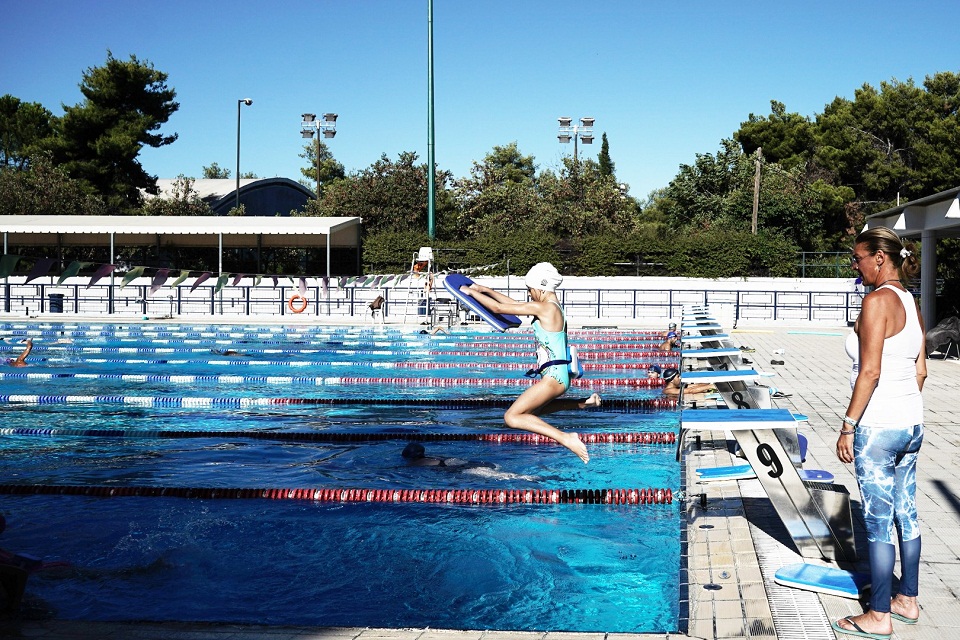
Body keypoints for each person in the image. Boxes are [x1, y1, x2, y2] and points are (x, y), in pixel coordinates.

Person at [833, 227, 925, 639]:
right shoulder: (910, 301)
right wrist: (902, 407)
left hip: (878, 427)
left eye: (858, 258)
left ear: (879, 258)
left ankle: (879, 615)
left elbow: (870, 371)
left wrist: (848, 425)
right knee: (907, 511)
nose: (855, 266)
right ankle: (907, 599)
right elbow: (921, 371)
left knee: (878, 522)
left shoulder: (876, 302)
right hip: (911, 422)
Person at [461, 263, 590, 463]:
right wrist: (484, 290)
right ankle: (582, 403)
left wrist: (471, 293)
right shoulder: (551, 307)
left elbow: (498, 308)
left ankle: (566, 438)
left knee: (512, 417)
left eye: (530, 290)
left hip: (553, 378)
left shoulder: (545, 307)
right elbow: (514, 305)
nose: (529, 294)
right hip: (558, 376)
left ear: (541, 287)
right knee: (531, 414)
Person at [648, 364, 715, 396]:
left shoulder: (676, 386)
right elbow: (690, 391)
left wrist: (710, 383)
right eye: (678, 376)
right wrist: (711, 386)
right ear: (672, 380)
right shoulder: (668, 390)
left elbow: (693, 386)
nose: (680, 378)